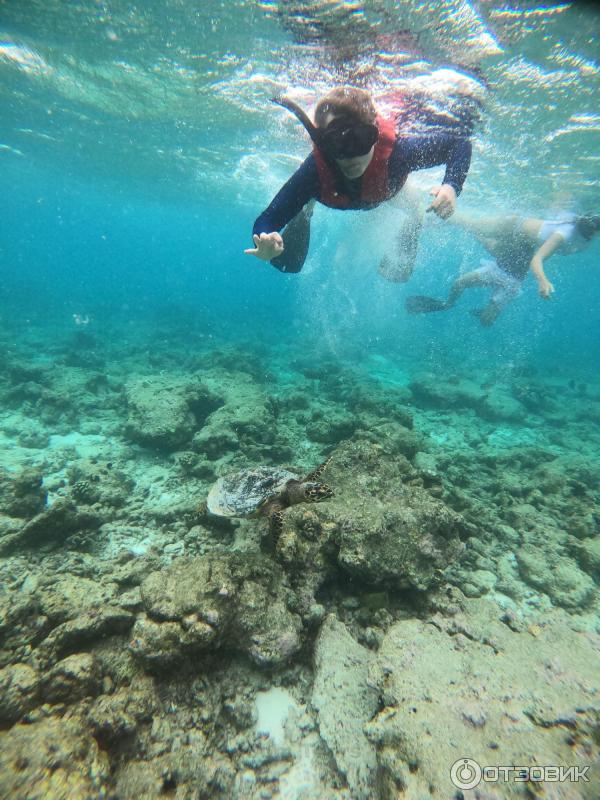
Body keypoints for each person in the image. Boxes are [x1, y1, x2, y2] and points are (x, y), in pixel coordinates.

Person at [244, 86, 472, 278]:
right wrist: (264, 243)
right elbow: (267, 220)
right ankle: (306, 208)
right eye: (338, 144)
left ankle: (401, 262)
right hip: (331, 193)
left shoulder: (398, 155)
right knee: (290, 256)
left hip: (388, 190)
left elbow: (459, 145)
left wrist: (451, 186)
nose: (352, 156)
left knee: (417, 212)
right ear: (324, 144)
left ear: (374, 135)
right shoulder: (313, 173)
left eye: (361, 140)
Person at [405, 212, 600, 326]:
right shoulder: (564, 233)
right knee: (473, 233)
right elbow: (536, 259)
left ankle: (437, 219)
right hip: (505, 249)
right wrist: (543, 280)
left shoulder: (583, 237)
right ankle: (431, 218)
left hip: (512, 278)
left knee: (486, 322)